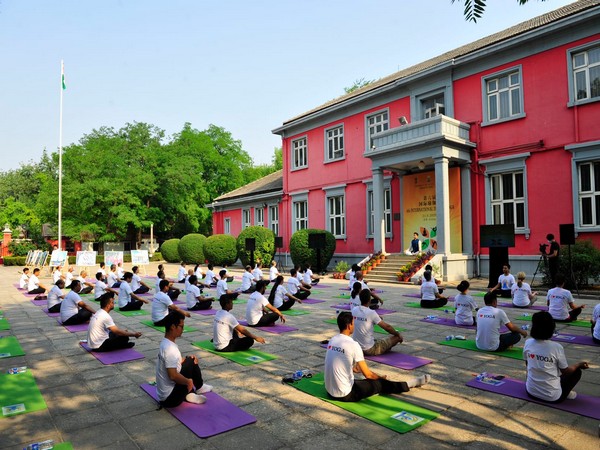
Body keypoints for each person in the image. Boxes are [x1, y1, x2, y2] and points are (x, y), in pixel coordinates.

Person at [324, 312, 430, 402]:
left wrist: (352, 368)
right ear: (349, 326)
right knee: (380, 384)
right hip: (346, 394)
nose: (354, 325)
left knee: (363, 381)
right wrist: (380, 379)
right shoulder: (353, 345)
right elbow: (368, 375)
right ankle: (410, 384)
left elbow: (338, 363)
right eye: (353, 323)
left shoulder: (332, 340)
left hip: (330, 391)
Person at [524, 311, 589, 402]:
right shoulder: (556, 347)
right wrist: (578, 365)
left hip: (531, 392)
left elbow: (528, 365)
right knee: (576, 372)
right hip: (552, 397)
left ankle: (536, 386)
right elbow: (566, 371)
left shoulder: (528, 343)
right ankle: (565, 392)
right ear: (551, 327)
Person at [155, 311, 212, 407]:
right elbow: (172, 375)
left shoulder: (165, 342)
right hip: (170, 399)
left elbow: (171, 364)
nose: (183, 329)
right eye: (181, 326)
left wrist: (186, 360)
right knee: (190, 363)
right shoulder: (171, 349)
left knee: (190, 360)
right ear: (173, 327)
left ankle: (190, 394)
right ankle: (199, 388)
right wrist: (188, 381)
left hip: (164, 397)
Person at [352, 289, 403, 356]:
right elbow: (387, 327)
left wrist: (377, 318)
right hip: (369, 349)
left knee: (378, 340)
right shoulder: (371, 313)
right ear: (369, 300)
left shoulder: (354, 310)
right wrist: (397, 334)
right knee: (397, 338)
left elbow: (363, 317)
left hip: (356, 347)